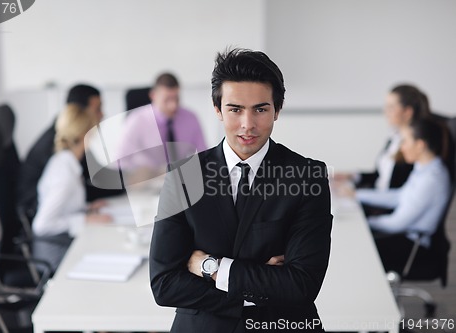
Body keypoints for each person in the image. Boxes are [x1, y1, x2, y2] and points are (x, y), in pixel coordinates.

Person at [149, 49, 332, 333]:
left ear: (277, 111)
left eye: (260, 109)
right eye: (235, 109)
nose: (248, 124)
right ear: (217, 110)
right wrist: (259, 293)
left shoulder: (308, 176)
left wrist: (211, 268)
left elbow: (301, 285)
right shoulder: (184, 175)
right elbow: (165, 285)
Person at [356, 117, 452, 273]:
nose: (402, 147)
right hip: (402, 236)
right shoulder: (424, 168)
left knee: (358, 247)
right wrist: (357, 194)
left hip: (411, 245)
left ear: (420, 145)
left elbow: (397, 223)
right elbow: (398, 196)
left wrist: (365, 222)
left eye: (405, 141)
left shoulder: (432, 179)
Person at [17, 84, 121, 221]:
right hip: (37, 213)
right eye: (98, 109)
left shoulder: (67, 143)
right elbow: (45, 220)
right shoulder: (58, 151)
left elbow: (87, 179)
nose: (102, 115)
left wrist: (85, 209)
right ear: (81, 113)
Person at [32, 103, 112, 238]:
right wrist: (84, 219)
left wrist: (87, 209)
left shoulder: (65, 161)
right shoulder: (65, 175)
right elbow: (41, 225)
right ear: (83, 135)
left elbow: (64, 208)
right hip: (57, 249)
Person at [336, 84, 430, 190]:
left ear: (407, 112)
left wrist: (358, 195)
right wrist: (351, 176)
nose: (385, 112)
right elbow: (380, 176)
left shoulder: (415, 147)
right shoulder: (394, 138)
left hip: (385, 203)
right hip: (376, 196)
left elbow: (400, 193)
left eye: (391, 107)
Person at [118, 73, 207, 173]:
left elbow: (204, 155)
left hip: (180, 181)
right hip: (147, 183)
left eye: (176, 99)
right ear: (153, 96)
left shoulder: (190, 118)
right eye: (167, 100)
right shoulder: (136, 120)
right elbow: (120, 162)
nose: (173, 106)